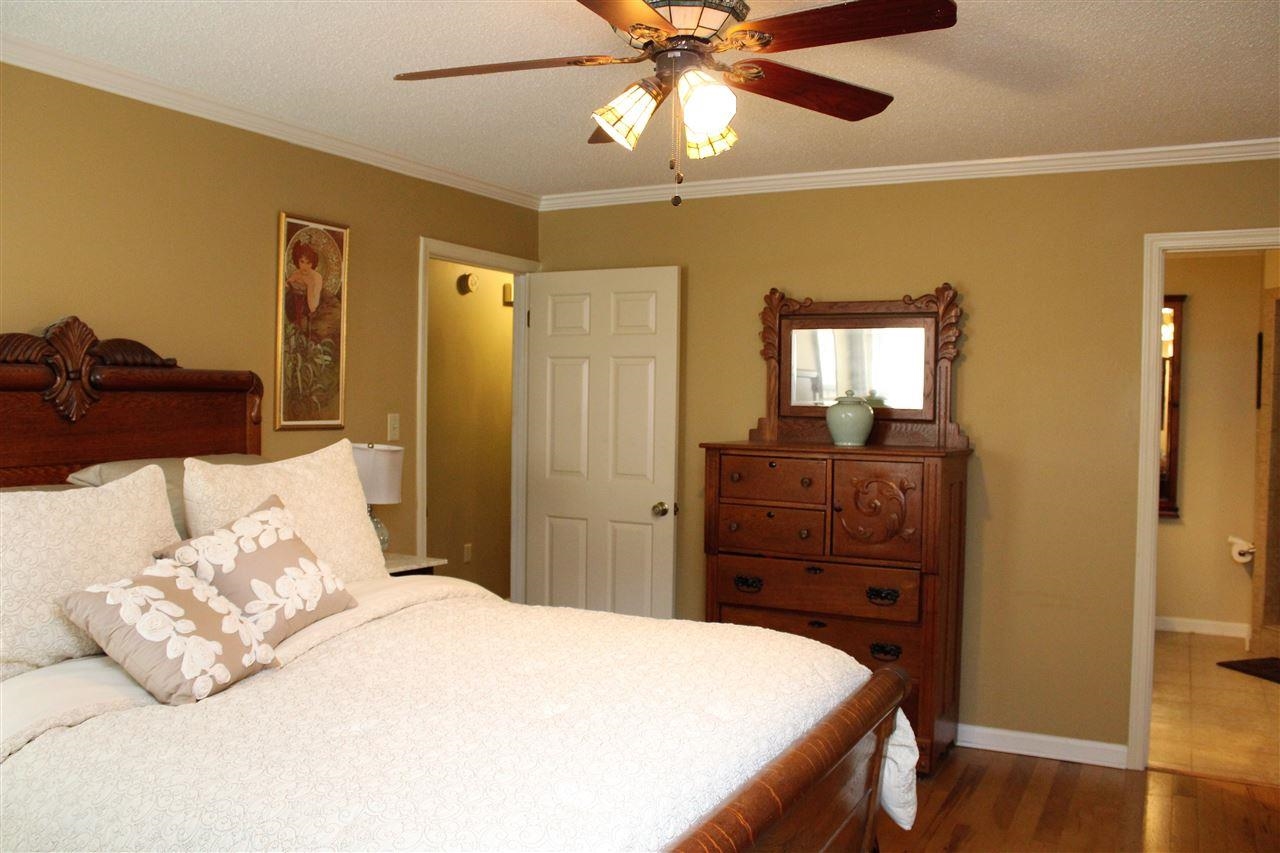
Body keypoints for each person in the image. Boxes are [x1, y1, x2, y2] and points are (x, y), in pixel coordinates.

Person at [285, 241, 323, 340]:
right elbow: (286, 286)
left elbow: (313, 307)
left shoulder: (316, 278)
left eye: (308, 263)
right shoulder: (296, 274)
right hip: (296, 312)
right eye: (302, 261)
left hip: (314, 314)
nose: (304, 266)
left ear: (313, 263)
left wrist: (309, 285)